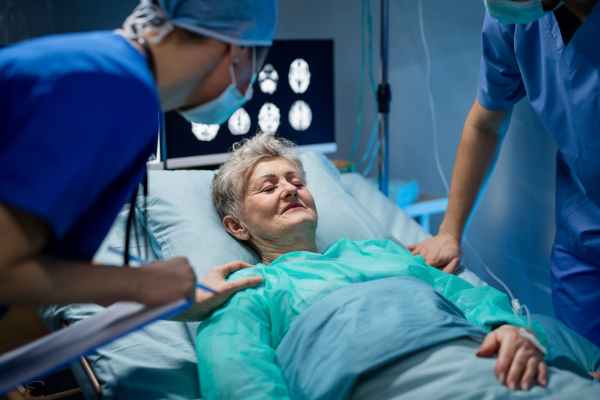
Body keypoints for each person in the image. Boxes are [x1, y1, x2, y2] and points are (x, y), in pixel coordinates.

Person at [193, 132, 600, 399]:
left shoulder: (376, 252)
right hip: (381, 379)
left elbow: (465, 295)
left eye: (296, 181)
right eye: (269, 186)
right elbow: (237, 376)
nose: (289, 189)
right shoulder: (246, 286)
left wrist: (507, 327)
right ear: (236, 226)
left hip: (491, 358)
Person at [0, 0, 276, 320]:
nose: (249, 86)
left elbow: (29, 246)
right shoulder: (116, 90)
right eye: (255, 65)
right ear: (236, 50)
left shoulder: (104, 64)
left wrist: (177, 298)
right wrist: (140, 284)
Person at [408, 0, 600, 346]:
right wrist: (450, 233)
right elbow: (486, 124)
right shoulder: (518, 20)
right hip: (582, 237)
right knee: (582, 363)